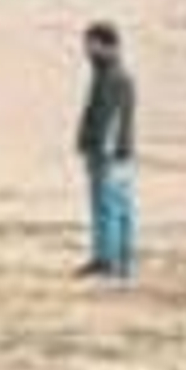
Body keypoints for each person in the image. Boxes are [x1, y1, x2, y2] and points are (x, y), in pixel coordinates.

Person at [75, 19, 137, 279]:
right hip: (120, 152)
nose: (87, 50)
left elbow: (109, 118)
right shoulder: (112, 73)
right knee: (119, 208)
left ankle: (107, 260)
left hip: (108, 154)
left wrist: (101, 150)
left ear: (106, 45)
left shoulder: (112, 76)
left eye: (91, 44)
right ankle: (120, 261)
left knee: (107, 207)